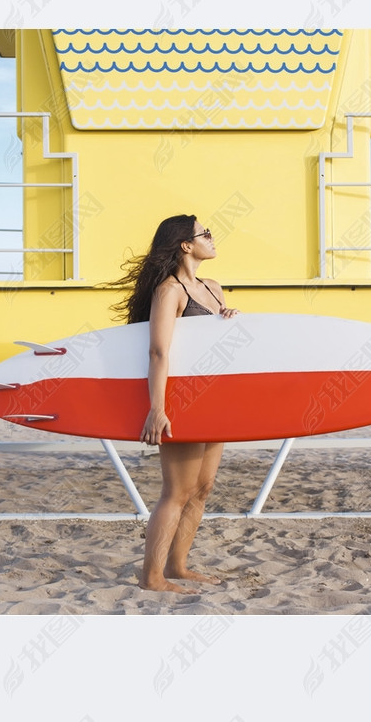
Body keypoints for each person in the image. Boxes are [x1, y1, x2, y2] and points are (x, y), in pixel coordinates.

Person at [117, 213, 238, 592]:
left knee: (203, 488)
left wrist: (230, 319)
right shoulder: (170, 291)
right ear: (186, 245)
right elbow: (158, 351)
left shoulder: (214, 287)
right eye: (206, 233)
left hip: (213, 398)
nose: (212, 237)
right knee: (177, 491)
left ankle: (178, 566)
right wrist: (157, 409)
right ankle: (151, 576)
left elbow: (218, 343)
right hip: (181, 399)